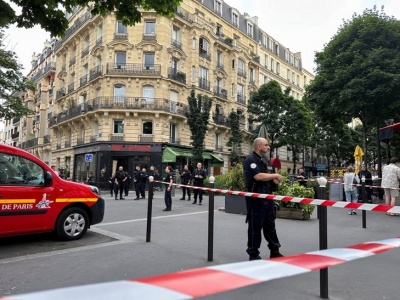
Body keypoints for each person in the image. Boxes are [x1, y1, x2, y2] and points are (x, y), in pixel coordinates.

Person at [243, 137, 284, 260]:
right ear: (259, 146)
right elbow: (258, 176)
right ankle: (253, 254)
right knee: (255, 228)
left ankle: (275, 251)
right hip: (256, 199)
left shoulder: (266, 161)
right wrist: (275, 175)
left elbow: (268, 177)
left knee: (270, 226)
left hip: (267, 197)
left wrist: (275, 181)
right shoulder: (250, 160)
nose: (268, 147)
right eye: (266, 145)